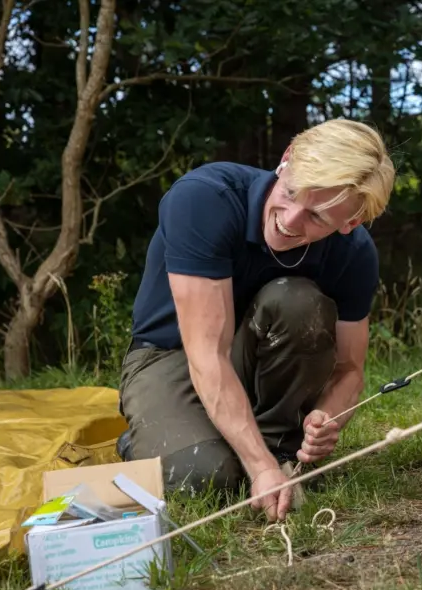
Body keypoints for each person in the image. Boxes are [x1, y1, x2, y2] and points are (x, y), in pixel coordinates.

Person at [115, 118, 395, 523]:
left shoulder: (354, 253)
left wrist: (328, 416)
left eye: (316, 218)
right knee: (201, 477)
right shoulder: (204, 199)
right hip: (171, 355)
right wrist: (260, 467)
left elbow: (350, 369)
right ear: (285, 161)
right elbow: (207, 354)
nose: (290, 219)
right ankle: (174, 442)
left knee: (297, 300)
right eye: (291, 192)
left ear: (349, 223)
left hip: (255, 362)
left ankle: (277, 447)